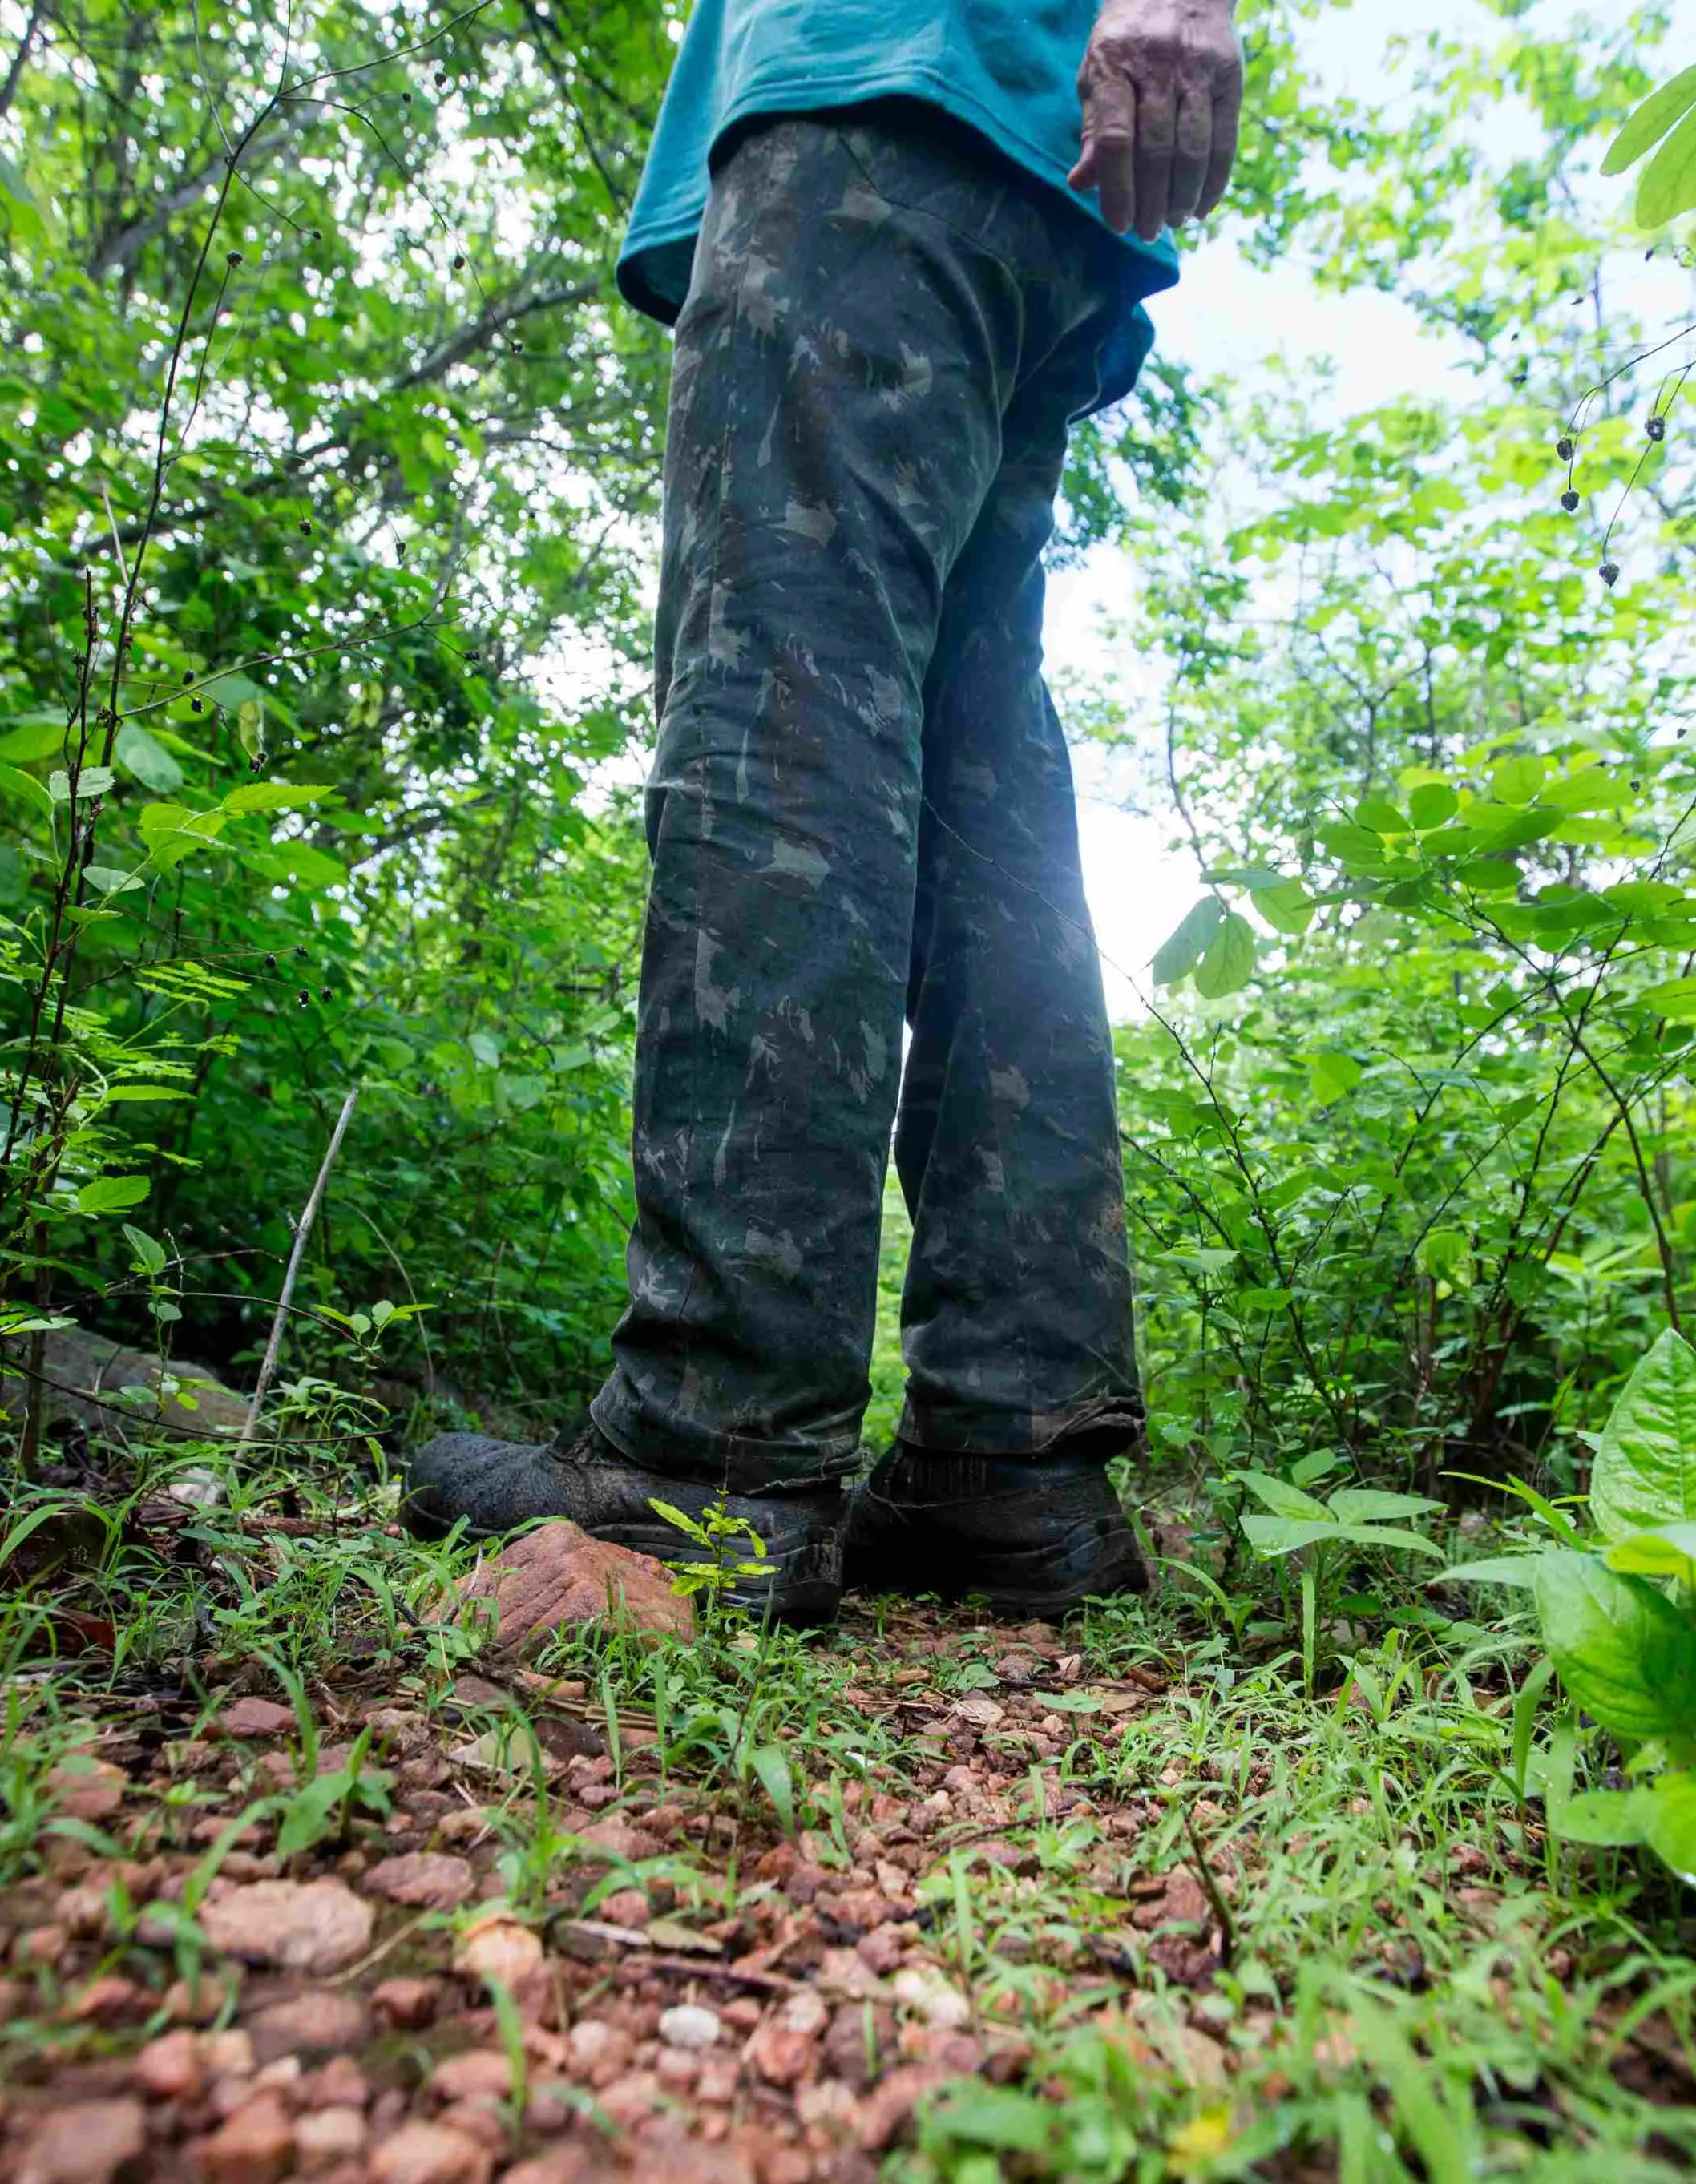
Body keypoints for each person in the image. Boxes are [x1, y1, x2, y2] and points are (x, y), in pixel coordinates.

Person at [403, 0, 1246, 1621]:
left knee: (781, 704)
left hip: (880, 86)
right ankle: (1012, 1455)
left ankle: (711, 1453)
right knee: (976, 775)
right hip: (1025, 160)